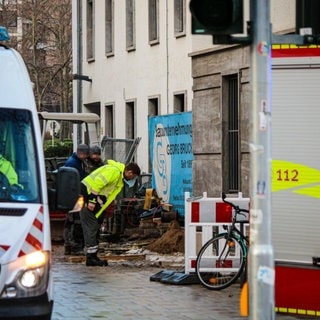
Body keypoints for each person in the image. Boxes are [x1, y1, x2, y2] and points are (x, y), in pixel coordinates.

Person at [80, 160, 141, 266]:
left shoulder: (119, 178)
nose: (132, 179)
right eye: (133, 176)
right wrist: (92, 200)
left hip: (93, 199)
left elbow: (107, 193)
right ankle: (90, 258)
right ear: (129, 172)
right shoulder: (115, 172)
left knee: (95, 226)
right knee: (91, 227)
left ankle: (93, 256)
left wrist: (102, 208)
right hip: (88, 196)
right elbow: (98, 182)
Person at [63, 144, 89, 255]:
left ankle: (69, 245)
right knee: (75, 221)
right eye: (85, 155)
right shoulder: (73, 164)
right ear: (81, 153)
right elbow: (73, 181)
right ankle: (75, 245)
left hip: (74, 195)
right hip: (74, 196)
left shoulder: (78, 162)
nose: (86, 157)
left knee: (71, 221)